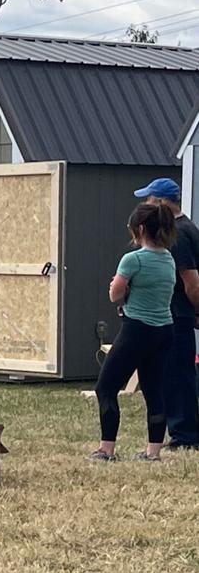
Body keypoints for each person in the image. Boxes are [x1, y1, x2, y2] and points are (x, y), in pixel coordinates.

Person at [92, 202, 178, 462]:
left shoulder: (134, 259)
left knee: (105, 387)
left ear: (139, 229)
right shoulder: (168, 258)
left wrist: (124, 290)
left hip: (136, 330)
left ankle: (106, 449)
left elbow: (114, 294)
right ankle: (153, 452)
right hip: (164, 330)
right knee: (154, 390)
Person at [134, 178, 199, 449]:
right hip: (176, 315)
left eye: (148, 199)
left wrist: (195, 311)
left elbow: (191, 281)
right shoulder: (186, 228)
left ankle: (184, 436)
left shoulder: (179, 233)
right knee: (177, 373)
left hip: (176, 315)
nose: (145, 204)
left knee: (177, 375)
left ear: (161, 202)